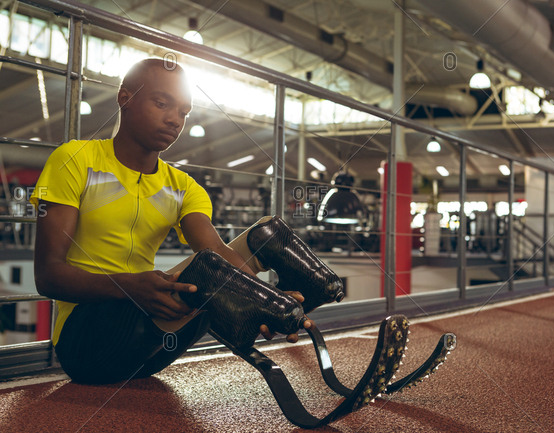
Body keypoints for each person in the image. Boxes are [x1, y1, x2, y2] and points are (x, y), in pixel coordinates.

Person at [30, 58, 343, 384]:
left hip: (154, 342)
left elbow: (216, 253)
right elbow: (48, 276)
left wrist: (265, 298)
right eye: (162, 103)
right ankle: (273, 310)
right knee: (206, 272)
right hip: (87, 346)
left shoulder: (183, 187)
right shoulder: (75, 159)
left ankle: (311, 299)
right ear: (125, 98)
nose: (174, 120)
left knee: (269, 234)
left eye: (183, 112)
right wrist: (129, 288)